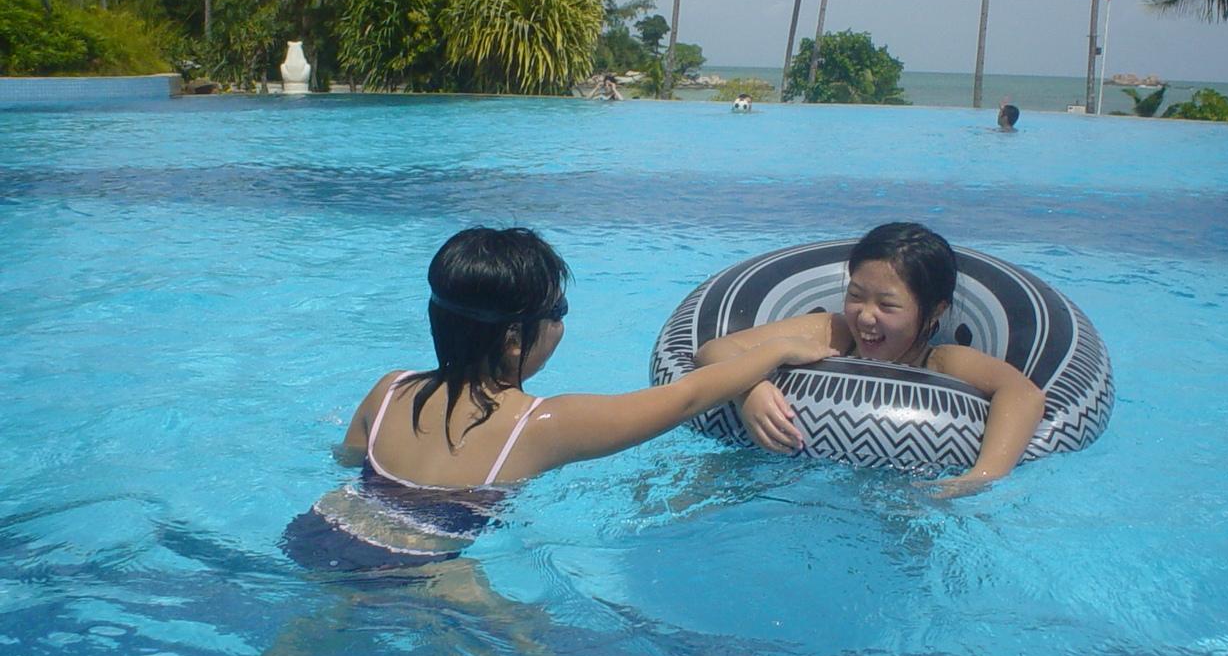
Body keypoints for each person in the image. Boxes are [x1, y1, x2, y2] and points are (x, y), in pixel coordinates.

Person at [286, 227, 834, 569]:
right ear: (514, 338)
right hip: (413, 568)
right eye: (558, 313)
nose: (561, 326)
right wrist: (779, 348)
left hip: (316, 533)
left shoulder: (389, 389)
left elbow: (348, 460)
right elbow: (687, 397)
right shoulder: (542, 425)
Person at [693, 222, 1046, 494]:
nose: (865, 317)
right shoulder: (832, 332)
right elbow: (714, 350)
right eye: (856, 296)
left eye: (887, 305)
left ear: (935, 311)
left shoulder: (942, 362)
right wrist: (749, 390)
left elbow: (1023, 394)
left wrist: (981, 477)